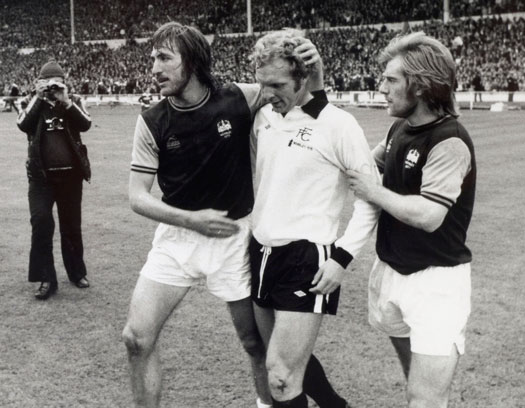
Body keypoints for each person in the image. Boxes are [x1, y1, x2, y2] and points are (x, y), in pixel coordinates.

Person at [121, 22, 337, 408]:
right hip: (176, 239)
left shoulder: (240, 98)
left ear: (192, 61)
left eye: (164, 58)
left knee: (255, 344)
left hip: (234, 237)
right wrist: (191, 220)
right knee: (136, 338)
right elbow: (137, 197)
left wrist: (313, 68)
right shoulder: (152, 120)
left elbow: (299, 98)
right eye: (153, 57)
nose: (154, 68)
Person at [248, 29, 380, 408]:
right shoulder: (265, 118)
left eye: (277, 84)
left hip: (307, 259)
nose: (268, 94)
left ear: (303, 78)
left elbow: (369, 199)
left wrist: (342, 259)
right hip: (261, 251)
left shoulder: (339, 125)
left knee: (281, 375)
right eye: (262, 84)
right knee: (281, 357)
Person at [346, 32, 476, 408]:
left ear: (419, 86)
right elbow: (364, 164)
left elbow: (430, 215)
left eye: (390, 80)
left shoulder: (449, 141)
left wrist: (373, 192)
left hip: (436, 283)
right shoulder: (399, 128)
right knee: (417, 388)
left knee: (424, 398)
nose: (381, 88)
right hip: (391, 272)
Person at [16, 60, 92, 300]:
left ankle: (76, 272)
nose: (52, 86)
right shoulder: (29, 101)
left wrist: (66, 101)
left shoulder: (74, 101)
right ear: (38, 83)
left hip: (70, 175)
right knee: (41, 222)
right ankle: (46, 279)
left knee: (71, 226)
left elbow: (86, 124)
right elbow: (22, 124)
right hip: (41, 177)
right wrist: (39, 99)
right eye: (46, 82)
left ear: (64, 82)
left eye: (56, 82)